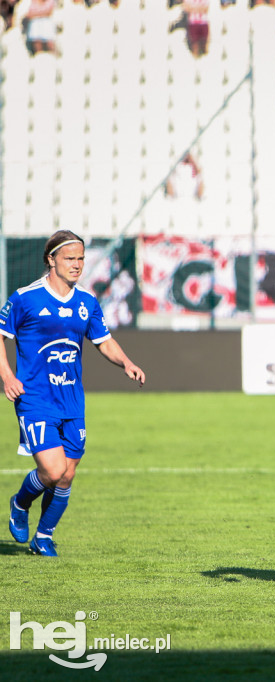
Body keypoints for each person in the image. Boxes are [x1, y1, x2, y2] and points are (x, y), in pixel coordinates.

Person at [4, 231, 146, 557]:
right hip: (35, 398)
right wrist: (7, 376)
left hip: (72, 399)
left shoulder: (87, 302)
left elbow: (103, 341)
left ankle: (43, 537)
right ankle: (20, 502)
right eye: (70, 258)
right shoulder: (25, 298)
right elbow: (0, 336)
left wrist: (126, 362)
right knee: (52, 470)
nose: (77, 265)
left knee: (66, 475)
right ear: (51, 259)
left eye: (81, 258)